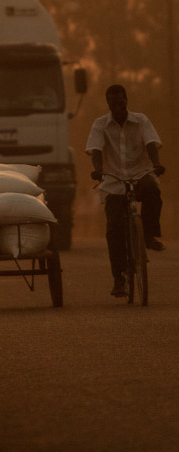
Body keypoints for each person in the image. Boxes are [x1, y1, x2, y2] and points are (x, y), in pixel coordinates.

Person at [86, 84, 166, 297]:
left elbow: (151, 144)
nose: (118, 107)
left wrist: (156, 165)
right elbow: (96, 149)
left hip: (140, 173)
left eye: (121, 102)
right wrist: (98, 170)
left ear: (126, 101)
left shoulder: (141, 121)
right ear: (109, 105)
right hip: (113, 180)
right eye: (113, 104)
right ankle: (118, 279)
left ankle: (148, 235)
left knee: (152, 190)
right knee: (114, 228)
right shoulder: (100, 125)